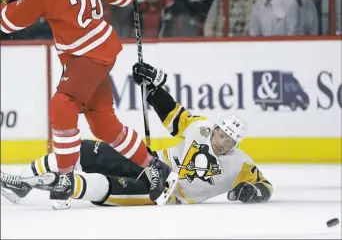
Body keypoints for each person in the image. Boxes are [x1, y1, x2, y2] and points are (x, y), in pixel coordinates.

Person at [0, 0, 178, 210]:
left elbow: (8, 22)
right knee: (104, 125)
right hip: (100, 49)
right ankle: (155, 167)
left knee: (62, 103)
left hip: (87, 56)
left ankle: (66, 178)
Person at [1, 62, 273, 206]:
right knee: (85, 150)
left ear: (235, 144)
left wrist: (252, 192)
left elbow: (264, 185)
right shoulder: (198, 128)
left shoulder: (240, 164)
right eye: (221, 134)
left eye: (229, 140)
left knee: (99, 185)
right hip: (153, 163)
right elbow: (172, 113)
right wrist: (153, 88)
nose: (222, 142)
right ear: (214, 129)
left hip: (163, 192)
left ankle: (47, 184)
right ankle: (22, 181)